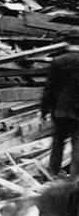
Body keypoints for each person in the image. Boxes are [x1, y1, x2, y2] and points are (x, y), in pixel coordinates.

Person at [41, 37, 79, 177]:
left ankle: (52, 172)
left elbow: (50, 88)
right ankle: (75, 178)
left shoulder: (58, 61)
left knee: (58, 142)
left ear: (68, 43)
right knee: (77, 143)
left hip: (60, 109)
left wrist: (44, 109)